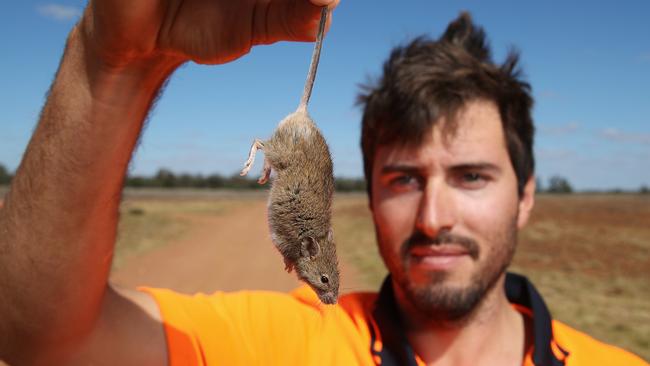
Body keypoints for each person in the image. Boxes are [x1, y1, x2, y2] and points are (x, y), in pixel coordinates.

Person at [0, 1, 646, 365]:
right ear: (367, 196)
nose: (433, 217)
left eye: (471, 176)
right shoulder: (298, 342)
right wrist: (113, 61)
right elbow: (42, 340)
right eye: (403, 178)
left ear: (527, 194)